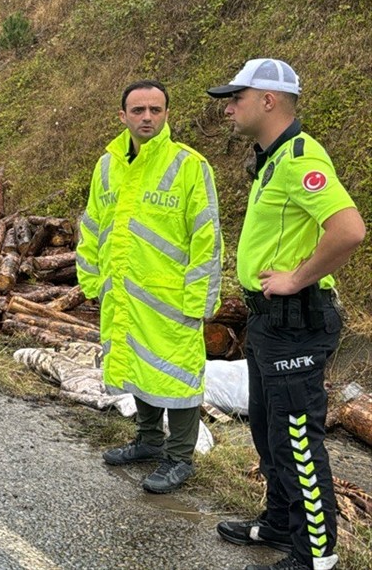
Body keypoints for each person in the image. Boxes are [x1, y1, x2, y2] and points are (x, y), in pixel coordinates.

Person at [207, 59, 364, 570]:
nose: (229, 108)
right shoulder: (271, 158)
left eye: (237, 98)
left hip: (297, 317)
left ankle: (316, 552)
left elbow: (348, 230)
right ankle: (278, 522)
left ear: (268, 100)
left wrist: (296, 278)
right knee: (270, 429)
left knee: (298, 435)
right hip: (270, 320)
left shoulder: (300, 158)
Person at [75, 80, 223, 494]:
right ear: (122, 116)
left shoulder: (189, 165)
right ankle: (148, 440)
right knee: (137, 366)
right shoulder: (107, 164)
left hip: (172, 297)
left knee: (177, 377)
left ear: (166, 115)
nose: (147, 118)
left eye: (155, 110)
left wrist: (201, 297)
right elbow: (92, 224)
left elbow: (207, 237)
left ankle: (179, 458)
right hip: (123, 292)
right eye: (138, 110)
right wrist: (90, 276)